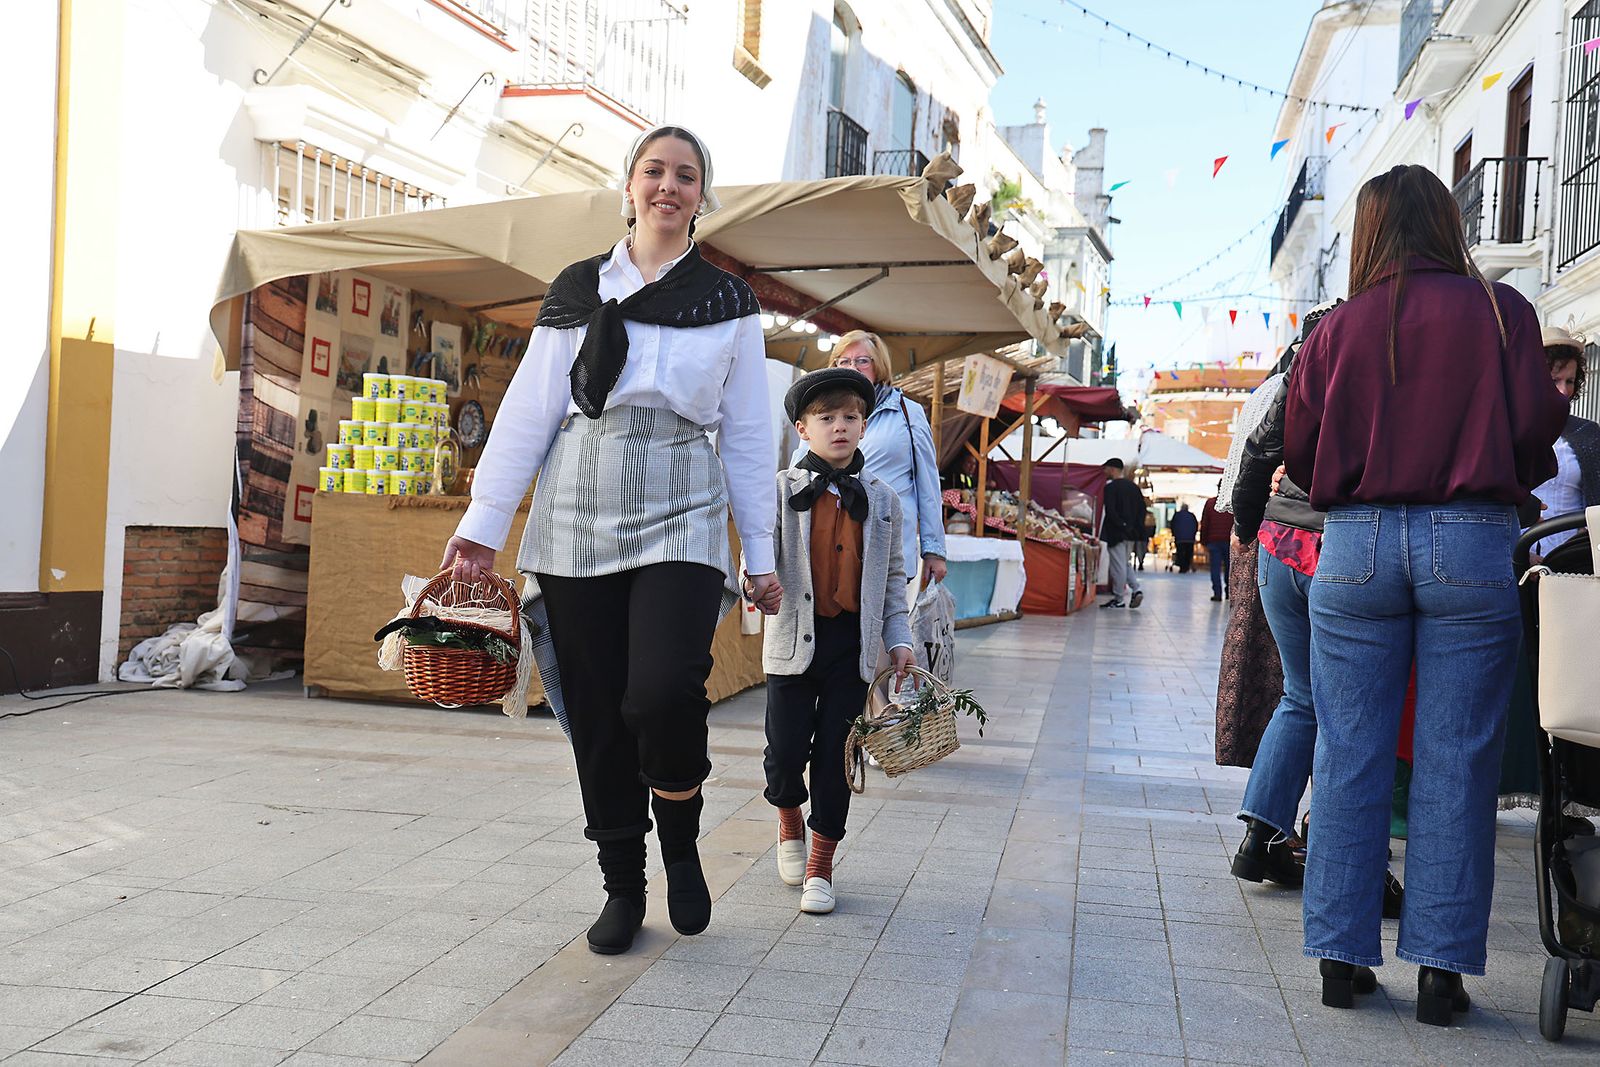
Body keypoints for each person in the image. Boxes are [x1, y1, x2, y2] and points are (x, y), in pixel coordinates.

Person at [439, 125, 781, 956]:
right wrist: (482, 527)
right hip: (575, 499)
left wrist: (761, 554)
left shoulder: (729, 303)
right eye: (654, 170)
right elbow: (528, 411)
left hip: (682, 498)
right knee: (596, 712)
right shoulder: (577, 287)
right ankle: (623, 885)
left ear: (704, 196)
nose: (669, 186)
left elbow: (745, 434)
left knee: (661, 692)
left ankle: (681, 839)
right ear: (627, 184)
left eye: (687, 175)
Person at [1283, 164, 1566, 1024]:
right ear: (1449, 221)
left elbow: (1300, 446)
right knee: (1458, 755)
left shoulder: (1338, 328)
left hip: (1358, 544)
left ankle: (1340, 956)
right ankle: (1442, 973)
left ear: (1369, 232)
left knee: (1349, 748)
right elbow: (1535, 424)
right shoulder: (1501, 311)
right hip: (1471, 538)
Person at [1230, 302, 1403, 919]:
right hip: (1343, 545)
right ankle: (1342, 859)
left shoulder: (1298, 369)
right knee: (1350, 710)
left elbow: (1257, 452)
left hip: (1282, 545)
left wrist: (1253, 527)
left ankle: (1260, 833)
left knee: (1302, 697)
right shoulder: (1386, 362)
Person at [764, 368, 916, 915]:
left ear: (863, 424)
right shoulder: (780, 491)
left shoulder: (883, 499)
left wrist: (899, 638)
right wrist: (754, 582)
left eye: (851, 417)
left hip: (850, 648)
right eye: (826, 418)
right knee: (784, 754)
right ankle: (788, 820)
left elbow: (894, 577)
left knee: (835, 754)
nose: (840, 427)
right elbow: (757, 554)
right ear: (803, 429)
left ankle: (821, 867)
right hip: (791, 642)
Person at [1500, 326, 1600, 807]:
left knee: (1569, 681)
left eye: (1570, 383)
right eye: (1553, 380)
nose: (1563, 392)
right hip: (1514, 567)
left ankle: (1566, 789)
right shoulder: (1503, 427)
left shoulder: (1588, 436)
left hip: (1573, 576)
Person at [817, 331, 946, 602]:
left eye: (862, 361)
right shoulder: (819, 412)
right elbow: (801, 469)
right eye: (844, 361)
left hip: (888, 538)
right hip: (833, 537)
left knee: (886, 628)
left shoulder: (906, 412)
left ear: (879, 367)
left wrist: (934, 550)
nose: (853, 368)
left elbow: (928, 484)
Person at [1098, 458, 1146, 609]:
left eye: (1106, 469)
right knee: (1124, 563)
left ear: (1113, 469)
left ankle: (1119, 598)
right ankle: (1136, 589)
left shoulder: (1110, 488)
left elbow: (1110, 511)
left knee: (1118, 566)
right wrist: (1134, 528)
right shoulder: (1134, 488)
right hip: (1131, 534)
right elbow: (1142, 510)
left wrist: (1121, 525)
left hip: (1116, 533)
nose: (1105, 472)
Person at [1199, 492, 1233, 601]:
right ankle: (1229, 592)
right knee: (1230, 568)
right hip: (1229, 540)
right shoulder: (1232, 503)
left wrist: (1203, 541)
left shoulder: (1210, 503)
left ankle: (1217, 593)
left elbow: (1205, 523)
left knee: (1215, 567)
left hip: (1213, 541)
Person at [1169, 503, 1198, 572]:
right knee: (1189, 552)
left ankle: (1182, 567)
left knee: (1180, 552)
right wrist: (1193, 534)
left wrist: (1174, 534)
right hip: (1190, 539)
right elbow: (1195, 526)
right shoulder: (1192, 515)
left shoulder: (1177, 515)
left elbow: (1172, 524)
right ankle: (1186, 566)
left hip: (1179, 538)